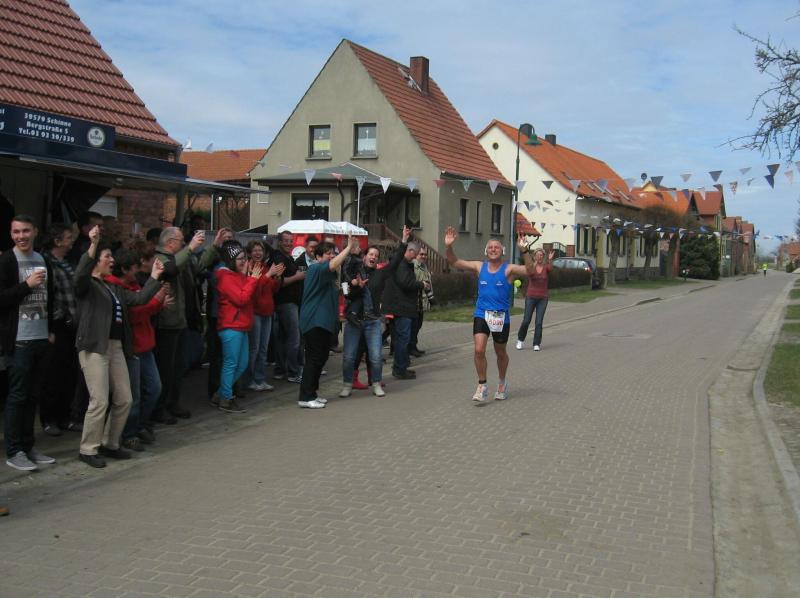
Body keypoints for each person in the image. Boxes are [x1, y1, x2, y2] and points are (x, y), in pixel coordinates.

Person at [74, 226, 164, 468]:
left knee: (124, 398)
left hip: (115, 347)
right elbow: (80, 273)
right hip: (95, 345)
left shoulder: (113, 287)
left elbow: (138, 299)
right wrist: (93, 244)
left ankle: (111, 443)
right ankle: (88, 449)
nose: (112, 261)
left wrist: (155, 277)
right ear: (96, 261)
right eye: (107, 257)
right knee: (99, 400)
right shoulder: (87, 284)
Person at [443, 226, 533, 402]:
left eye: (496, 247)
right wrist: (448, 246)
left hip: (500, 317)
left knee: (500, 352)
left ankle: (502, 382)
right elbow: (455, 262)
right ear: (486, 251)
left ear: (502, 251)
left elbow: (530, 270)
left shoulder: (508, 269)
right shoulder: (479, 266)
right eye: (490, 247)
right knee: (478, 350)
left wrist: (524, 251)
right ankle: (482, 385)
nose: (493, 249)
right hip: (482, 314)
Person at [0, 215, 57, 471]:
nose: (21, 236)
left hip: (41, 337)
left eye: (25, 231)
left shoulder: (43, 259)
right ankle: (14, 451)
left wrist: (51, 330)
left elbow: (50, 296)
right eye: (16, 232)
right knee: (18, 396)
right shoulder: (6, 261)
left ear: (35, 231)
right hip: (19, 339)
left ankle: (28, 446)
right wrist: (26, 285)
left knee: (33, 395)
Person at [106, 248, 171, 451]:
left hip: (144, 345)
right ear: (125, 269)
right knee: (133, 395)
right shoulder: (117, 288)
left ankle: (141, 424)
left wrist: (157, 302)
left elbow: (143, 306)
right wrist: (157, 299)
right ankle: (130, 433)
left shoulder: (133, 285)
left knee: (154, 388)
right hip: (131, 348)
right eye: (135, 267)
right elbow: (135, 312)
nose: (138, 270)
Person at [151, 227, 215, 423]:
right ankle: (159, 407)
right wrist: (190, 248)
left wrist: (214, 246)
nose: (183, 243)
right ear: (170, 242)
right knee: (165, 368)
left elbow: (197, 266)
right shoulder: (160, 258)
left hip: (180, 319)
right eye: (180, 240)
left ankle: (173, 402)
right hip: (166, 322)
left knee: (178, 367)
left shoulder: (180, 257)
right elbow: (170, 270)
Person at [339, 229, 411, 399]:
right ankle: (347, 385)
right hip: (354, 320)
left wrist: (403, 241)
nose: (373, 257)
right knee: (349, 357)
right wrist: (355, 285)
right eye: (370, 254)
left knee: (376, 356)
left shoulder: (380, 274)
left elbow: (395, 262)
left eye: (376, 256)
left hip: (372, 322)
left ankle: (376, 383)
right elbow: (345, 292)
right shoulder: (353, 271)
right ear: (364, 257)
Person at [297, 236, 357, 408]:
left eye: (333, 253)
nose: (331, 256)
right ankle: (305, 397)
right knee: (314, 358)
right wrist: (348, 248)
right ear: (318, 257)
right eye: (328, 253)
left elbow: (338, 289)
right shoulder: (316, 268)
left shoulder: (329, 276)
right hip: (314, 321)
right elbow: (333, 264)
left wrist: (351, 285)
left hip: (324, 323)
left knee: (321, 357)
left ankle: (312, 393)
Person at [36, 223, 79, 436]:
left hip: (72, 323)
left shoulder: (67, 263)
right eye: (68, 237)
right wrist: (52, 325)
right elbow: (47, 296)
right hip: (57, 324)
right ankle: (49, 418)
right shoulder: (46, 263)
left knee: (69, 373)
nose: (71, 241)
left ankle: (65, 416)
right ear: (57, 241)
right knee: (53, 374)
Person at [211, 242, 263, 413]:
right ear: (231, 260)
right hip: (231, 326)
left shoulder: (237, 275)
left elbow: (249, 295)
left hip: (240, 325)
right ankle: (226, 399)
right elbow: (241, 299)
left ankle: (220, 395)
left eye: (244, 258)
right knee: (232, 364)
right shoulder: (225, 277)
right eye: (240, 259)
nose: (244, 261)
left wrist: (250, 278)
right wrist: (252, 279)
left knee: (241, 364)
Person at [381, 240, 429, 380]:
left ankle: (401, 366)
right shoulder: (402, 265)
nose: (416, 257)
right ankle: (400, 369)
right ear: (411, 251)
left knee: (400, 338)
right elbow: (405, 283)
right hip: (402, 307)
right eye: (416, 253)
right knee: (403, 339)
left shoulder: (402, 264)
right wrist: (421, 284)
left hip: (400, 306)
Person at [244, 240, 284, 391]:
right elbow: (254, 289)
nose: (258, 253)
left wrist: (277, 277)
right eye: (255, 250)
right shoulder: (248, 268)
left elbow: (273, 288)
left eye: (260, 250)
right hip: (255, 312)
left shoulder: (265, 267)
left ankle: (260, 379)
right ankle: (248, 380)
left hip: (267, 312)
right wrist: (269, 275)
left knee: (263, 348)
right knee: (253, 348)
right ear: (249, 253)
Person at [273, 231, 305, 383]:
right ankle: (293, 372)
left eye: (291, 241)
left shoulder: (288, 257)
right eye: (286, 240)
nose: (289, 243)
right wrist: (297, 276)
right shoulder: (279, 258)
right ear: (280, 242)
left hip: (289, 303)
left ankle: (280, 370)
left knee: (282, 339)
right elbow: (279, 282)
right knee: (294, 339)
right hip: (286, 303)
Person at [516, 248, 554, 352]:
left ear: (543, 257)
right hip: (531, 297)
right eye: (537, 255)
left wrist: (550, 259)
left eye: (541, 255)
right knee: (526, 320)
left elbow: (551, 268)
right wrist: (535, 263)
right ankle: (520, 340)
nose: (539, 257)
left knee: (539, 322)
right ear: (534, 256)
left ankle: (536, 343)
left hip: (543, 298)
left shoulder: (546, 267)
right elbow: (530, 273)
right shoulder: (531, 267)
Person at [410, 245, 434, 357]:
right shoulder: (414, 266)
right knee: (414, 326)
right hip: (414, 301)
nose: (424, 256)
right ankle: (411, 348)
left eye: (425, 254)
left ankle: (413, 347)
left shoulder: (424, 266)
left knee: (418, 325)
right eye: (421, 254)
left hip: (422, 302)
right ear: (416, 254)